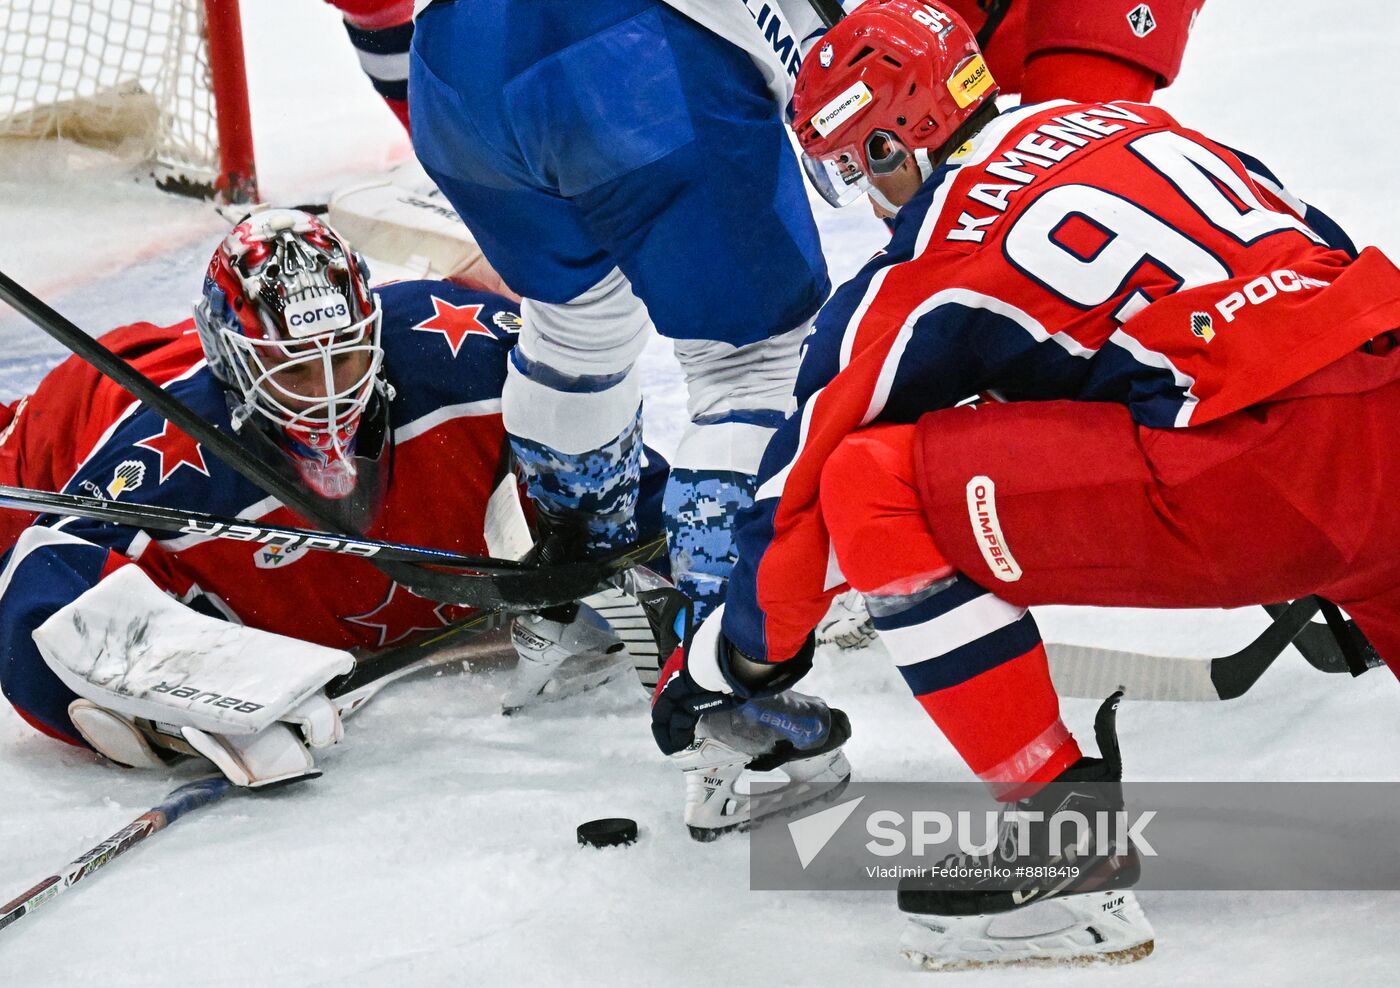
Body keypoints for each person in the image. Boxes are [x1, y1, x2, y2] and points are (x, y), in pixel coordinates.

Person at [650, 0, 1400, 969]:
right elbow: (1316, 252)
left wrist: (725, 661)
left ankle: (1060, 840)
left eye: (851, 165)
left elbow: (796, 498)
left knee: (871, 480)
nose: (863, 193)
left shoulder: (934, 251)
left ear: (888, 144)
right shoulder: (1137, 126)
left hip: (1249, 474)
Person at [0, 208, 667, 785]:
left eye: (342, 358)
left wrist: (647, 568)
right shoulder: (168, 454)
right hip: (96, 399)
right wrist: (187, 687)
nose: (326, 393)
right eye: (295, 372)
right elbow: (37, 594)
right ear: (235, 365)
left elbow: (623, 477)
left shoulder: (468, 356)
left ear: (373, 330)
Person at [407, 0, 837, 623]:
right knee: (752, 361)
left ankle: (586, 579)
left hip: (450, 68)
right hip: (626, 46)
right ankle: (729, 630)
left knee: (577, 325)